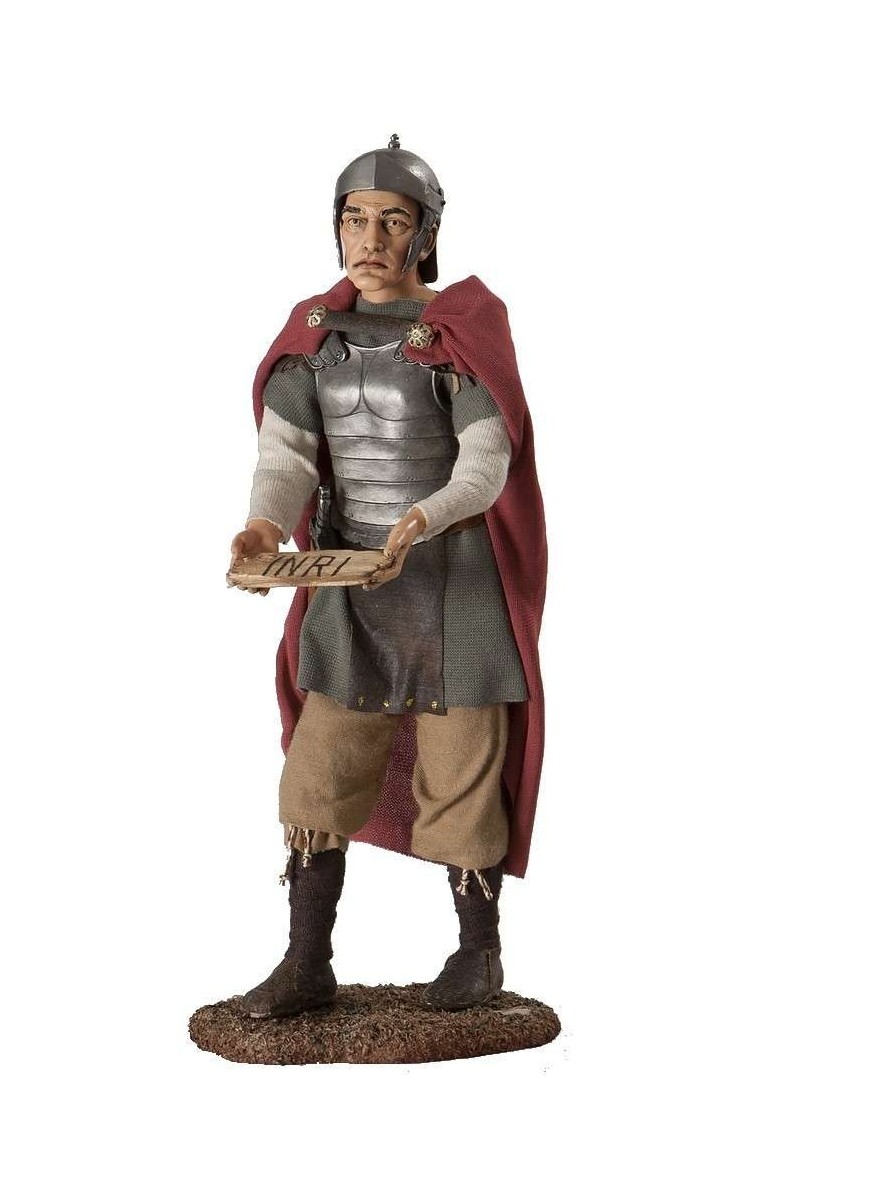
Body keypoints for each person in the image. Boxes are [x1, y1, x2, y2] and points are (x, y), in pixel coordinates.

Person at [229, 136, 547, 1018]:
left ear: (425, 234)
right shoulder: (315, 338)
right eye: (355, 219)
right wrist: (264, 523)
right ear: (336, 227)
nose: (369, 239)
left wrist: (422, 519)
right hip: (351, 593)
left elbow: (486, 463)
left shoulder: (456, 333)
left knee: (462, 782)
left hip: (455, 589)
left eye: (393, 222)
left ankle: (478, 956)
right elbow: (287, 457)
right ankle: (306, 962)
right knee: (316, 777)